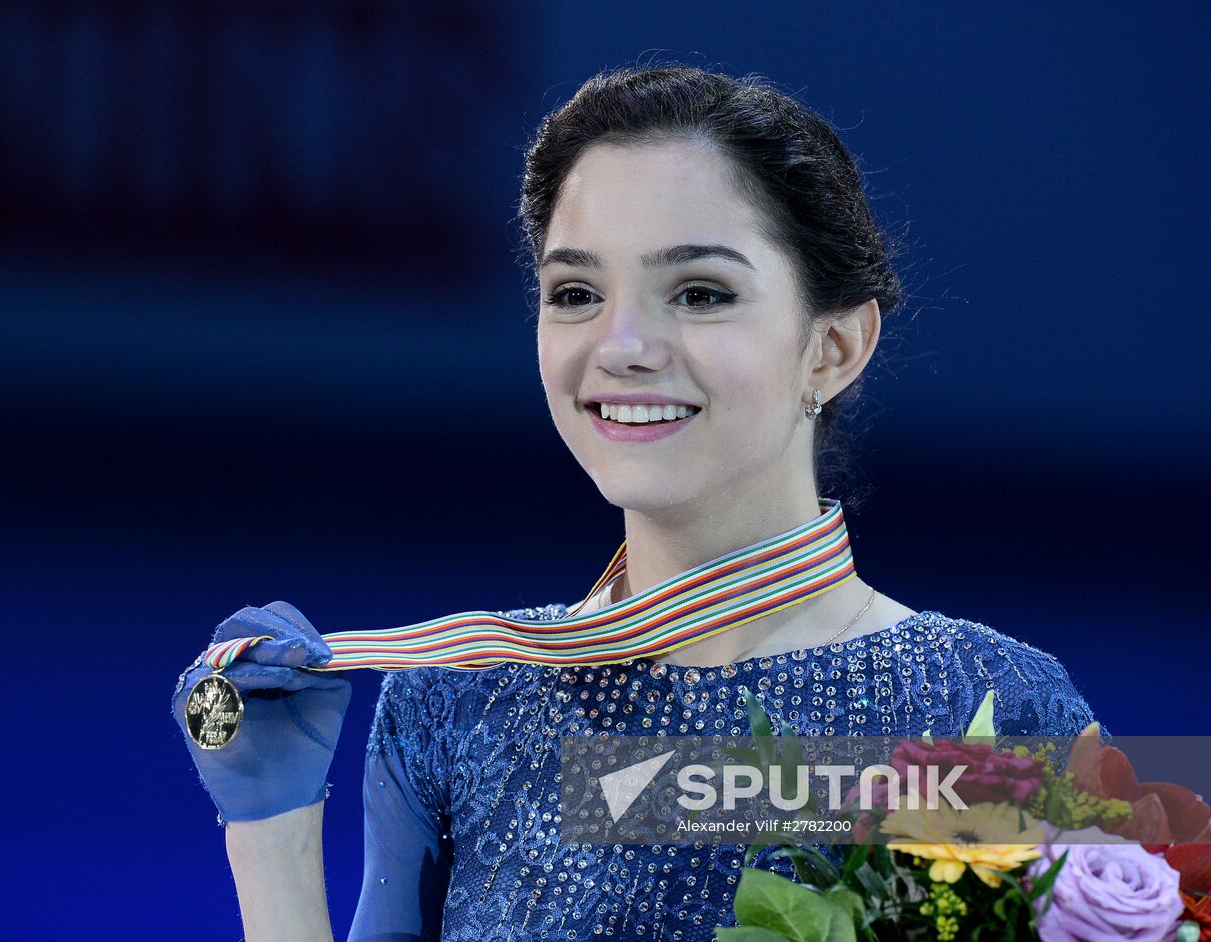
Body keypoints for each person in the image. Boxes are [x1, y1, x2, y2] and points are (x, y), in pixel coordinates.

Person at [170, 64, 1101, 941]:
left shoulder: (995, 709)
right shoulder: (455, 706)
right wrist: (273, 837)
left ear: (834, 348)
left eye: (698, 293)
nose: (621, 345)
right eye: (575, 292)